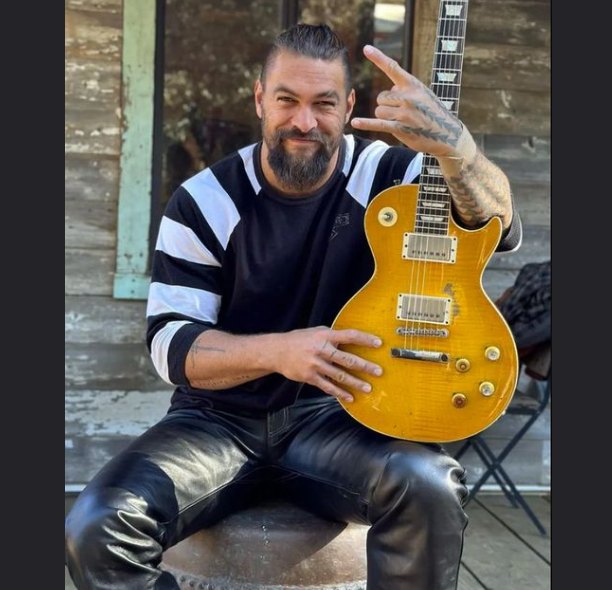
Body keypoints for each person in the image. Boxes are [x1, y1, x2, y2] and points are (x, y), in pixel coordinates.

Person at [65, 23, 522, 590]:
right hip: (216, 422)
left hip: (341, 419)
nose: (304, 121)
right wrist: (282, 352)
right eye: (287, 100)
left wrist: (459, 149)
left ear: (348, 106)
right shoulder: (203, 201)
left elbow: (498, 225)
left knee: (428, 486)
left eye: (324, 103)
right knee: (98, 527)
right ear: (260, 99)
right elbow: (171, 345)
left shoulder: (390, 176)